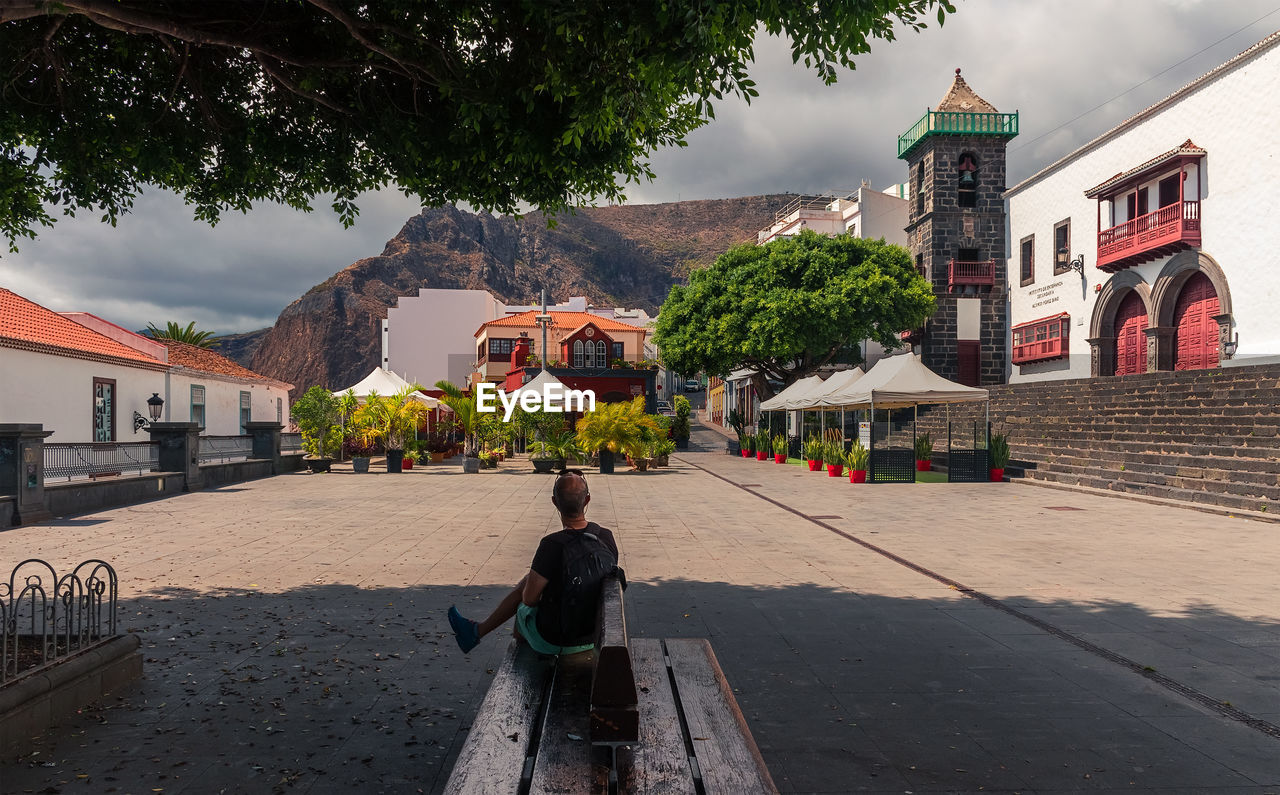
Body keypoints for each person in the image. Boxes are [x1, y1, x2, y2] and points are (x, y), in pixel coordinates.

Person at [448, 469, 619, 656]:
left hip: (558, 641)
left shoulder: (553, 545)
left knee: (524, 604)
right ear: (587, 501)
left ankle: (506, 652)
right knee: (531, 581)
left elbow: (529, 599)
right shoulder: (605, 537)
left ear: (554, 502)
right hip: (593, 635)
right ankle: (477, 633)